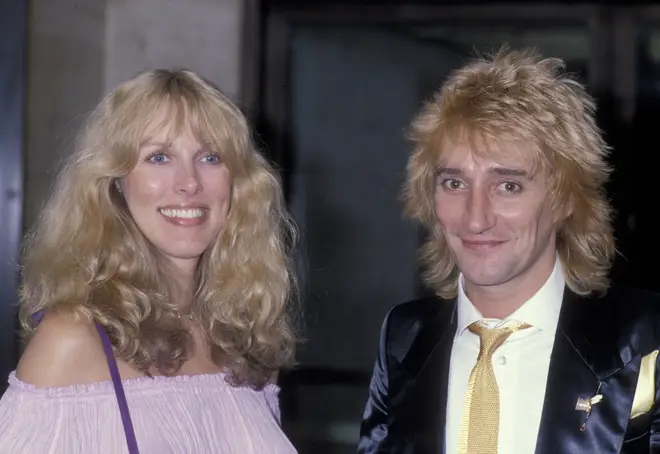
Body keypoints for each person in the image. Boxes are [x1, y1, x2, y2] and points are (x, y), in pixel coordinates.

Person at [358, 47, 660, 453]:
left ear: (565, 199)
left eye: (508, 186)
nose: (476, 218)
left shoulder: (643, 339)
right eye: (454, 183)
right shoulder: (404, 338)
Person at [0, 69, 299, 453]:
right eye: (159, 157)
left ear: (238, 182)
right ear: (115, 183)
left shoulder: (244, 342)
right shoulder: (74, 342)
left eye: (210, 156)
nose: (189, 183)